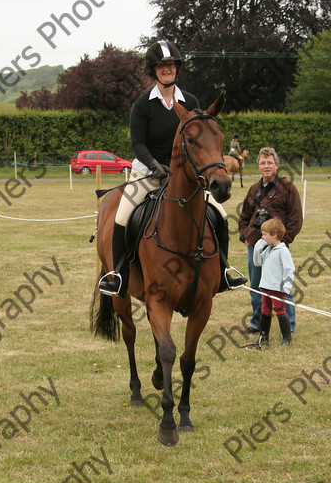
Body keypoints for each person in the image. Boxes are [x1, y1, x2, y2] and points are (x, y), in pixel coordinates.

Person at [99, 39, 247, 297]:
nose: (167, 69)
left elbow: (200, 138)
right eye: (161, 65)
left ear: (177, 68)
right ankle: (118, 277)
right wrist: (155, 166)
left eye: (171, 65)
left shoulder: (190, 100)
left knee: (220, 215)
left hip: (186, 177)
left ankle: (223, 271)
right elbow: (137, 143)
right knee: (122, 217)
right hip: (147, 173)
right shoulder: (142, 104)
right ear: (153, 70)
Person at [238, 147, 303, 333]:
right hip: (255, 246)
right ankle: (257, 323)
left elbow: (296, 218)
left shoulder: (288, 188)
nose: (266, 166)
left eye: (269, 163)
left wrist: (284, 241)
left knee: (282, 286)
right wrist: (246, 237)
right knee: (257, 286)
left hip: (277, 247)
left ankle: (288, 325)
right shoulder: (253, 189)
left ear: (276, 165)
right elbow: (244, 217)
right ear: (258, 166)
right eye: (262, 163)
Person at [253, 218, 295, 347]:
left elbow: (290, 269)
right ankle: (263, 336)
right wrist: (257, 249)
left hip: (277, 288)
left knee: (279, 310)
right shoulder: (267, 249)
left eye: (265, 235)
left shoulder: (283, 251)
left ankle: (287, 337)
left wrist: (286, 287)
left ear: (274, 235)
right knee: (265, 310)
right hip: (265, 286)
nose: (262, 237)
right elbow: (257, 263)